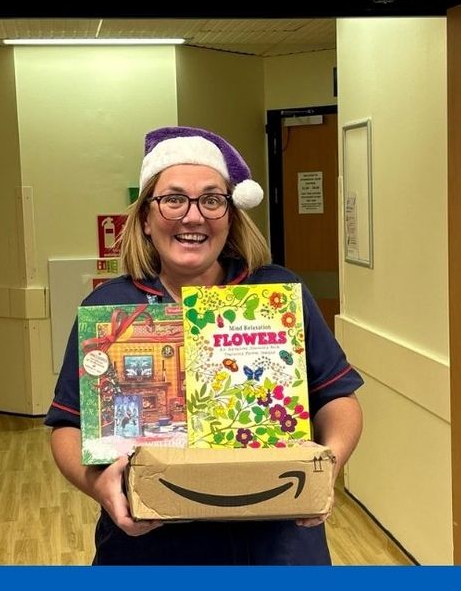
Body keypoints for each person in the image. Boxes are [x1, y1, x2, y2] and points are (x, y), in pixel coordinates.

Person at [45, 125, 364, 565]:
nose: (193, 217)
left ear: (230, 215)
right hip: (150, 546)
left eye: (212, 200)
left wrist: (327, 466)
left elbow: (338, 399)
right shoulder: (111, 309)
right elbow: (67, 425)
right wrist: (99, 486)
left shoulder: (275, 295)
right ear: (145, 217)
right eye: (173, 199)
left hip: (275, 544)